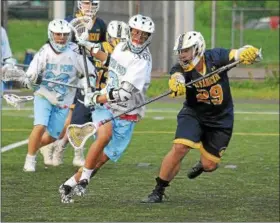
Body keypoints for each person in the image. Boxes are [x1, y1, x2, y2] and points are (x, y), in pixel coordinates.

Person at [141, 31, 261, 203]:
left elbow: (238, 53)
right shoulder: (180, 68)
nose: (182, 55)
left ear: (198, 49)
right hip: (194, 113)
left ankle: (202, 164)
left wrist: (250, 52)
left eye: (186, 51)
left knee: (209, 165)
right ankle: (158, 190)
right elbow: (177, 75)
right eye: (180, 51)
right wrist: (176, 82)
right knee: (180, 148)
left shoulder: (216, 57)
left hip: (221, 118)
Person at [58, 14, 155, 204]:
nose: (138, 37)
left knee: (101, 160)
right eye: (136, 32)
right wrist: (89, 47)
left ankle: (69, 184)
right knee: (104, 136)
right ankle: (85, 179)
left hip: (127, 112)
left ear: (148, 37)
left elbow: (124, 94)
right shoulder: (121, 46)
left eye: (143, 35)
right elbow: (111, 61)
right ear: (130, 31)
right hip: (107, 106)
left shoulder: (142, 61)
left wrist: (95, 96)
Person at [20, 19, 96, 172]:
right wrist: (33, 79)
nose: (61, 37)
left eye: (64, 34)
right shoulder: (44, 51)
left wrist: (86, 83)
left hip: (63, 100)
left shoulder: (75, 51)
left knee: (53, 137)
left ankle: (34, 147)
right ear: (51, 34)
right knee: (40, 125)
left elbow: (90, 73)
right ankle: (30, 159)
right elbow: (29, 79)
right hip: (44, 95)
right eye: (58, 34)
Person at [39, 0, 107, 167]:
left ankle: (59, 147)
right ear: (79, 4)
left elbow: (103, 48)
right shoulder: (69, 22)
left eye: (92, 4)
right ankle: (56, 147)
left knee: (78, 115)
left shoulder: (100, 24)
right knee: (68, 116)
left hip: (89, 76)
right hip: (70, 75)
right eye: (86, 3)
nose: (89, 7)